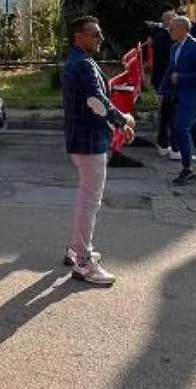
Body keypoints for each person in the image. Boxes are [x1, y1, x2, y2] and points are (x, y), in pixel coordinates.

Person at [61, 16, 132, 286]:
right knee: (90, 200)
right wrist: (124, 121)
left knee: (85, 197)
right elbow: (97, 102)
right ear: (79, 36)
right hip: (89, 141)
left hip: (83, 139)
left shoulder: (79, 61)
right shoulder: (82, 65)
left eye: (99, 34)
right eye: (95, 34)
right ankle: (83, 261)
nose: (100, 39)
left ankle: (76, 248)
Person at [164, 15, 196, 185]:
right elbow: (171, 70)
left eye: (172, 28)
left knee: (180, 128)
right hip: (183, 96)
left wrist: (181, 77)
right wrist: (163, 91)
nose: (169, 31)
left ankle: (187, 168)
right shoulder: (175, 47)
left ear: (182, 30)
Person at [150, 11, 177, 156]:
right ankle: (165, 143)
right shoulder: (164, 37)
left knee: (166, 113)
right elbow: (164, 62)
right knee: (168, 113)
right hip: (165, 81)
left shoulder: (161, 35)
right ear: (169, 21)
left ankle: (163, 142)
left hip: (163, 80)